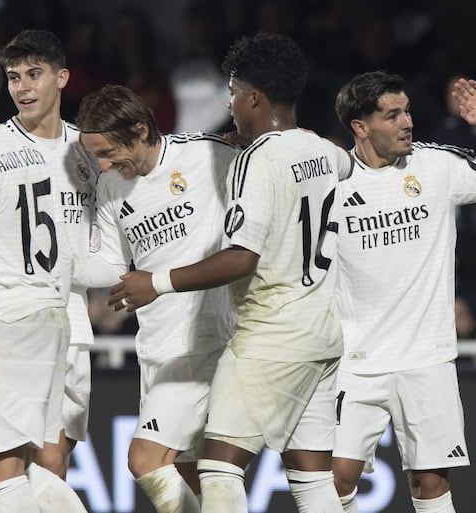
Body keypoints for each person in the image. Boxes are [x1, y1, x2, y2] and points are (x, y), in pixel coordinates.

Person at [107, 33, 352, 513]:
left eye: (235, 91)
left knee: (217, 467)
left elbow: (242, 257)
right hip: (324, 333)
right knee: (313, 480)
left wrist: (155, 281)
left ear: (255, 98)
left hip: (270, 333)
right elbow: (346, 164)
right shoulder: (322, 151)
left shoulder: (255, 161)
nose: (230, 102)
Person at [331, 71, 476, 513]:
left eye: (407, 110)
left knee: (429, 484)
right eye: (393, 115)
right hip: (353, 360)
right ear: (360, 126)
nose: (408, 121)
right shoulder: (330, 179)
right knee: (333, 482)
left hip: (427, 359)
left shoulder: (436, 165)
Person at [0, 29, 98, 511]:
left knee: (47, 465)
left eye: (34, 75)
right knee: (17, 468)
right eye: (13, 77)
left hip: (70, 323)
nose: (23, 88)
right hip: (20, 315)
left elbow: (110, 231)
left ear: (62, 78)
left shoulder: (88, 152)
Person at [74, 83, 239, 513]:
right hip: (156, 346)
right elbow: (111, 267)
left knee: (145, 459)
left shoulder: (207, 156)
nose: (103, 164)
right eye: (95, 155)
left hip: (204, 339)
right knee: (195, 477)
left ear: (141, 129)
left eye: (108, 152)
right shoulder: (111, 187)